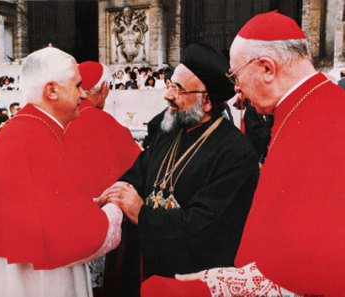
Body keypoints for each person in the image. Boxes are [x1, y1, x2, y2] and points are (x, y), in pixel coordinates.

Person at [142, 11, 345, 297]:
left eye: (236, 76)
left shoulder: (324, 123)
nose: (237, 91)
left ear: (267, 69)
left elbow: (323, 263)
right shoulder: (309, 108)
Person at [0, 47, 123, 297]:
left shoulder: (25, 128)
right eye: (78, 85)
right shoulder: (38, 136)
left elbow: (38, 210)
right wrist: (116, 209)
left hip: (7, 273)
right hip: (30, 281)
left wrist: (90, 205)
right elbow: (76, 236)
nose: (84, 94)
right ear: (51, 90)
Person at [99, 43, 259, 288]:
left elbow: (206, 226)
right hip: (146, 266)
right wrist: (119, 189)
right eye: (170, 84)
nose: (167, 95)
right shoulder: (169, 130)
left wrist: (143, 214)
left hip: (190, 279)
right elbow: (139, 172)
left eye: (179, 89)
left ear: (206, 101)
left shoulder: (235, 153)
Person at [64, 61, 141, 295]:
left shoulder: (61, 121)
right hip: (105, 233)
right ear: (104, 88)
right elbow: (139, 173)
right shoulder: (110, 126)